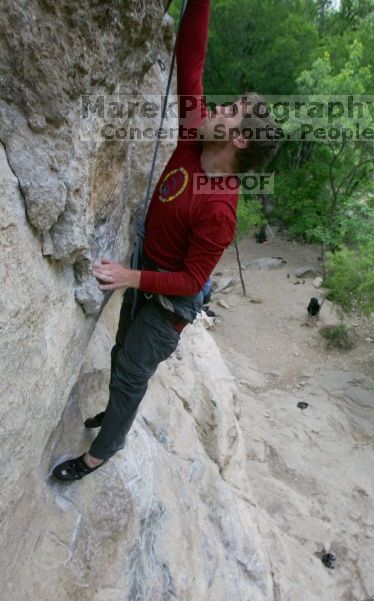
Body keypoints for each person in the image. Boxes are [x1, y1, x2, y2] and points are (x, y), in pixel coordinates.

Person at [52, 0, 277, 481]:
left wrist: (130, 277)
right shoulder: (196, 137)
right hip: (151, 269)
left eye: (231, 111)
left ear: (238, 140)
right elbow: (191, 60)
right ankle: (111, 418)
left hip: (168, 306)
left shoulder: (220, 209)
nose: (217, 108)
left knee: (132, 371)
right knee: (118, 355)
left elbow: (193, 278)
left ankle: (101, 452)